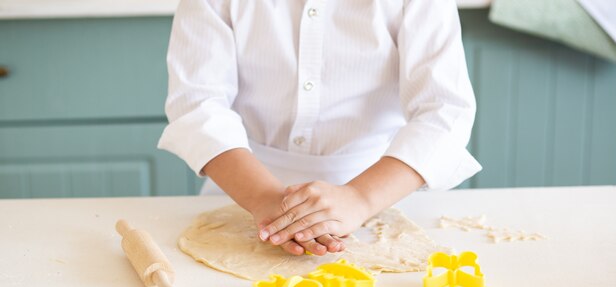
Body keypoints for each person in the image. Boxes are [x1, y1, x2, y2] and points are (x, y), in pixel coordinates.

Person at [158, 0, 482, 257]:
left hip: (384, 192)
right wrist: (262, 197)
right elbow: (197, 104)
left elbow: (444, 111)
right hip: (240, 189)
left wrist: (360, 199)